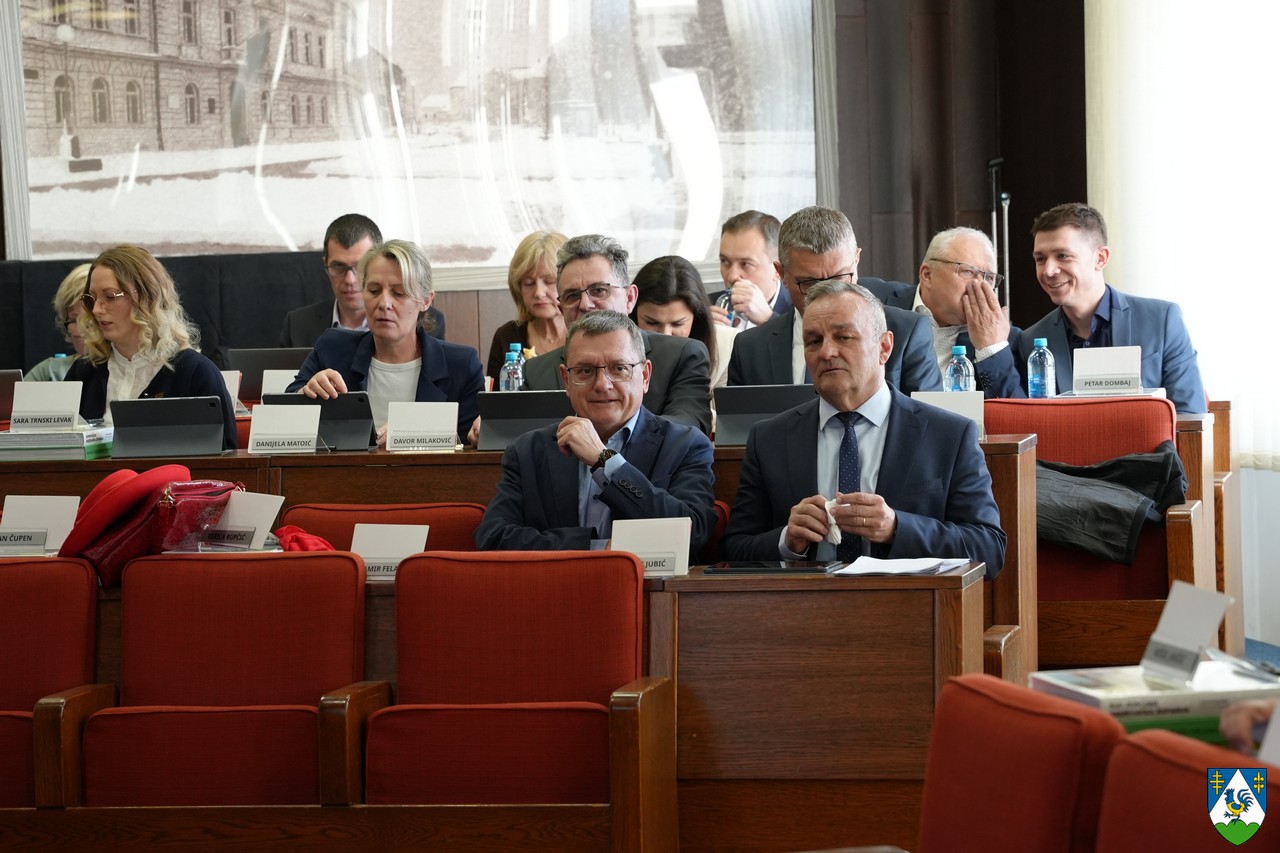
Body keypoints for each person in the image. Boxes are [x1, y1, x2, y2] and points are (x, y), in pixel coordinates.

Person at [720, 279, 1006, 578]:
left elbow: (988, 549)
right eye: (814, 341)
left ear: (884, 347)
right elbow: (735, 550)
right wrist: (787, 541)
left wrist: (897, 528)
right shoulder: (770, 439)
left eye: (843, 337)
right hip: (806, 602)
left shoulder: (948, 435)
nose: (826, 352)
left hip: (908, 603)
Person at [475, 310, 715, 553]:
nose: (602, 385)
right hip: (560, 578)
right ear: (566, 380)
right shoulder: (528, 451)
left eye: (619, 368)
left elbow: (692, 533)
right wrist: (595, 548)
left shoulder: (685, 445)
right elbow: (493, 537)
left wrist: (605, 462)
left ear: (645, 376)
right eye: (586, 371)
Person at [726, 205, 942, 395]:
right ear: (781, 274)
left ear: (856, 260)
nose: (827, 295)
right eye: (810, 283)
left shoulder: (907, 333)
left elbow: (927, 423)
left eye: (839, 278)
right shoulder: (749, 349)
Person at [286, 239, 482, 446]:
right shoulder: (332, 348)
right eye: (374, 290)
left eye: (398, 293)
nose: (384, 303)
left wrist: (412, 433)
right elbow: (284, 412)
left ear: (426, 300)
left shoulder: (461, 365)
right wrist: (306, 392)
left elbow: (470, 447)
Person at [1017, 203, 1206, 413]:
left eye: (1063, 256)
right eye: (1040, 259)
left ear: (1100, 258)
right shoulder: (1030, 341)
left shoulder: (1162, 321)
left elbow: (1190, 414)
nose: (1048, 270)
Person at [521, 234, 713, 434]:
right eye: (572, 296)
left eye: (599, 290)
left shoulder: (681, 356)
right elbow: (524, 442)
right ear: (561, 309)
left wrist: (603, 447)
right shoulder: (536, 373)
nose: (585, 304)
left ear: (630, 298)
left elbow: (688, 431)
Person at [66, 245, 237, 448]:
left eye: (110, 297)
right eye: (92, 299)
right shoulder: (83, 373)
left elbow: (226, 457)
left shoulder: (195, 372)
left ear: (147, 298)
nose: (96, 309)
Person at [873, 227, 1023, 397]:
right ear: (927, 275)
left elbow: (1016, 412)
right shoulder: (874, 300)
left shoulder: (1006, 342)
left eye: (988, 277)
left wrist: (990, 349)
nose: (980, 285)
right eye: (968, 271)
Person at [278, 213, 446, 348]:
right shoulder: (297, 324)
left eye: (360, 266)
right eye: (338, 266)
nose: (350, 279)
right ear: (325, 265)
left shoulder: (423, 321)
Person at [631, 255, 735, 388]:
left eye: (677, 324)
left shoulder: (727, 347)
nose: (665, 334)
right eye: (652, 323)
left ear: (697, 317)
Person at [484, 230, 567, 379]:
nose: (539, 292)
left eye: (549, 281)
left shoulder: (588, 335)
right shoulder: (506, 337)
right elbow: (495, 394)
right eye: (529, 283)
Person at [709, 210, 792, 330]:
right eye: (725, 261)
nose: (732, 276)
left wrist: (768, 319)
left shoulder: (801, 310)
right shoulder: (703, 308)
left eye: (745, 264)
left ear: (777, 270)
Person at [27, 263, 91, 381]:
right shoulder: (47, 373)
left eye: (89, 320)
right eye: (74, 320)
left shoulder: (123, 373)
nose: (81, 331)